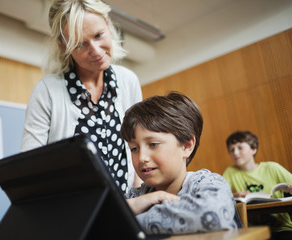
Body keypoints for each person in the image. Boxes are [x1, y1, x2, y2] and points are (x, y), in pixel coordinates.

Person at [20, 0, 142, 192]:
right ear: (63, 45)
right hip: (73, 210)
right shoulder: (47, 92)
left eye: (99, 35)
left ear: (108, 24)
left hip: (127, 206)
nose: (95, 51)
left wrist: (139, 197)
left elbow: (138, 144)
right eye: (80, 45)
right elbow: (30, 166)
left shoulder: (128, 81)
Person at [120, 91, 238, 235]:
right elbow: (97, 221)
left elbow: (213, 214)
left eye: (153, 144)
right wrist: (136, 204)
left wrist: (127, 220)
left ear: (186, 146)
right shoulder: (137, 196)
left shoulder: (207, 183)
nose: (142, 157)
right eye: (134, 148)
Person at [223, 131, 292, 239]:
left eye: (240, 148)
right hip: (253, 232)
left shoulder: (272, 168)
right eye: (231, 150)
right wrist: (235, 195)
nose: (235, 153)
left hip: (281, 228)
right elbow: (219, 196)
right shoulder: (230, 172)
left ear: (253, 149)